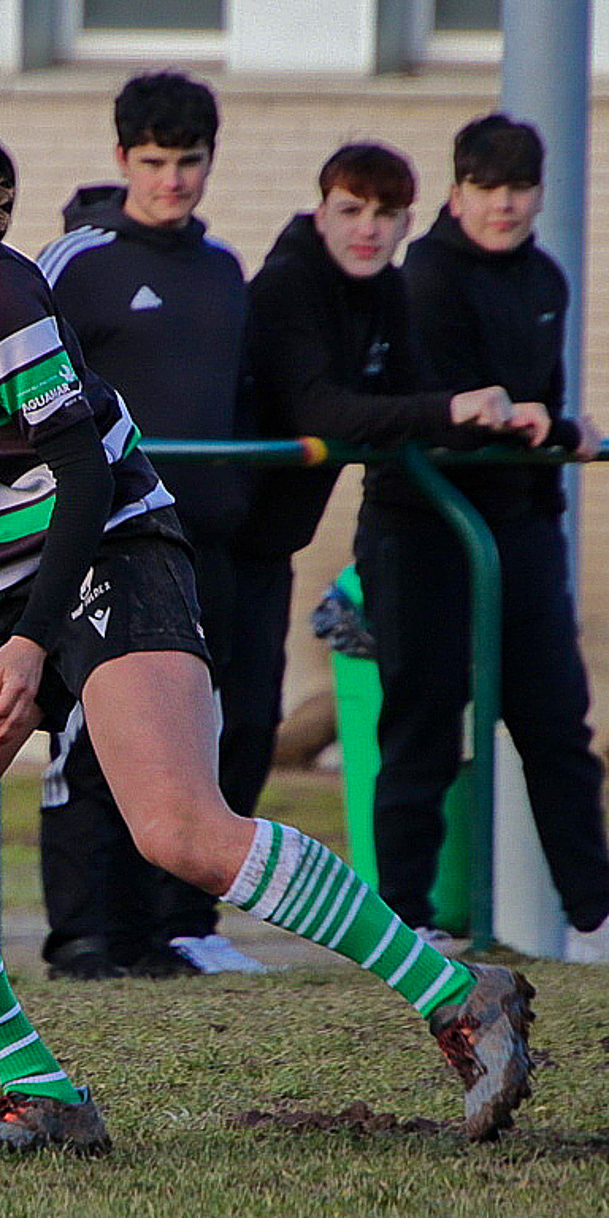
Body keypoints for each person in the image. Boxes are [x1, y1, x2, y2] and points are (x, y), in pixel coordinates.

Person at [0, 52, 534, 1155]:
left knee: (181, 831)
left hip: (104, 544)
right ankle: (45, 1096)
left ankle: (455, 990)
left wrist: (30, 638)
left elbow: (86, 470)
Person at [230, 142, 561, 916]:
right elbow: (327, 411)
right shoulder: (289, 285)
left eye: (385, 215)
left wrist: (521, 422)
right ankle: (139, 932)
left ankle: (190, 929)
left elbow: (419, 397)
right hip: (210, 528)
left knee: (248, 727)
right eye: (351, 211)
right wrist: (451, 408)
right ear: (322, 210)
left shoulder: (383, 291)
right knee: (203, 728)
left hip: (269, 538)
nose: (369, 230)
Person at [32, 70, 260, 980]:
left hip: (209, 550)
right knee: (91, 743)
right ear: (123, 157)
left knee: (205, 739)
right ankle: (91, 935)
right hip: (106, 545)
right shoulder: (73, 264)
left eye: (190, 162)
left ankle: (180, 926)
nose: (174, 180)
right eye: (156, 161)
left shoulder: (223, 271)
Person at [378, 115, 609, 957]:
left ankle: (591, 914)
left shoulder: (545, 277)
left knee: (557, 727)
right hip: (426, 526)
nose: (503, 206)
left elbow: (542, 406)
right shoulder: (425, 277)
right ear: (456, 190)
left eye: (518, 190)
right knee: (424, 723)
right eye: (486, 189)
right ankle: (404, 915)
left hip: (521, 528)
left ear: (540, 194)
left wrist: (557, 433)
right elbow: (446, 413)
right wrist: (533, 428)